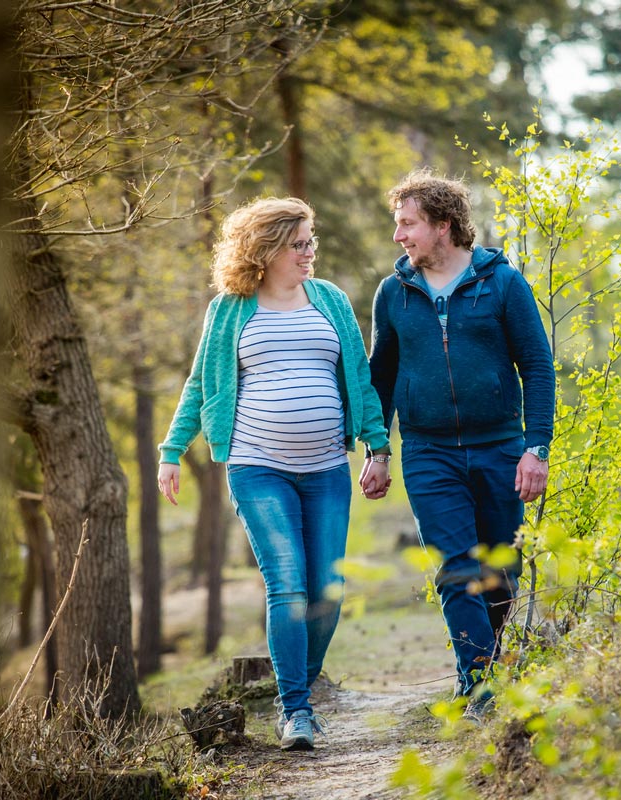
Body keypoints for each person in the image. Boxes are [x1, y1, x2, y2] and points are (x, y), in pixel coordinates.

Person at [157, 197, 392, 752]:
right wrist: (172, 449)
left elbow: (358, 377)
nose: (310, 253)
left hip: (328, 468)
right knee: (288, 588)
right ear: (266, 249)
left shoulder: (330, 300)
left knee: (328, 592)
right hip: (258, 467)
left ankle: (298, 689)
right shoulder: (230, 309)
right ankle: (297, 711)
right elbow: (201, 384)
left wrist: (378, 448)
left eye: (312, 241)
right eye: (299, 243)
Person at [367, 169, 555, 721]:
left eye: (409, 224)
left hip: (501, 446)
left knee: (499, 570)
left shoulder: (502, 282)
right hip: (428, 452)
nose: (399, 236)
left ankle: (497, 671)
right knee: (455, 567)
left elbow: (538, 368)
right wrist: (377, 450)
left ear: (444, 225)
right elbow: (382, 377)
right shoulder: (393, 293)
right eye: (397, 225)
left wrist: (535, 447)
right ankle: (476, 684)